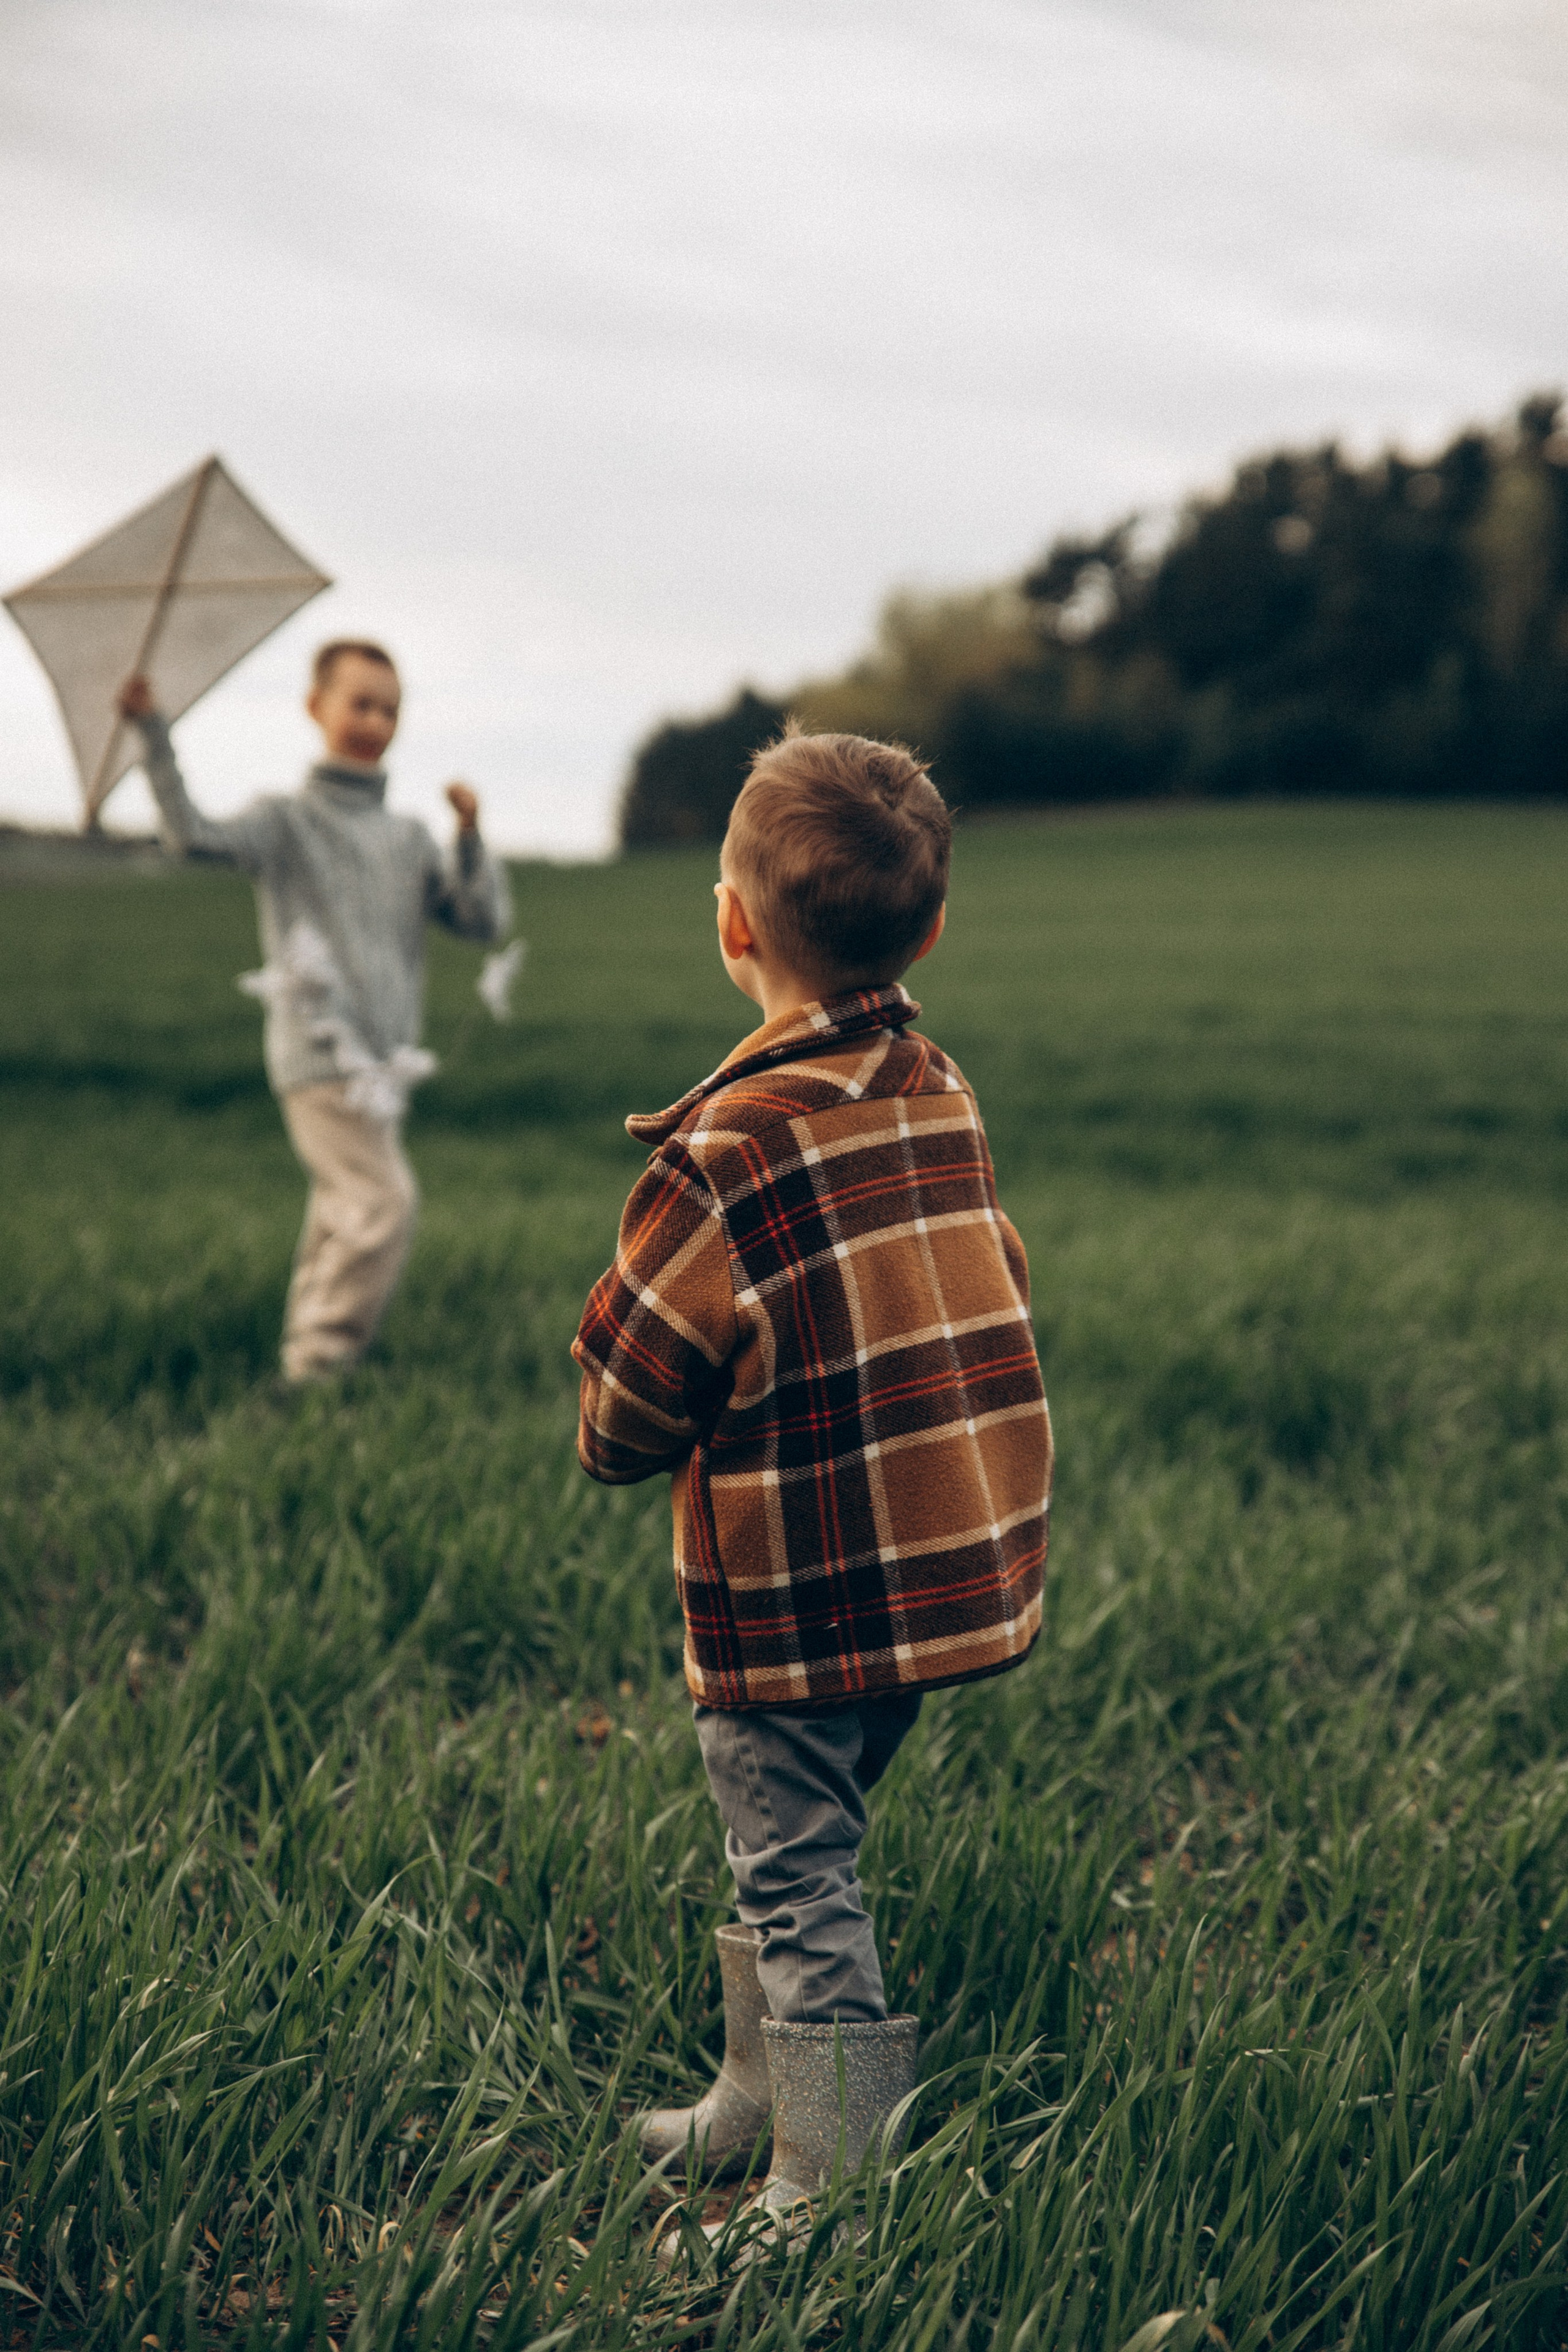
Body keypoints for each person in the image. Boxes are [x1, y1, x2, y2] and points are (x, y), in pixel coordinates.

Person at [571, 728, 1052, 2229]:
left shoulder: (722, 1148)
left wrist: (608, 1394)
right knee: (798, 1846)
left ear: (731, 926)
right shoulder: (940, 1089)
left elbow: (628, 1405)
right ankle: (756, 2092)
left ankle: (834, 2169)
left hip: (784, 1599)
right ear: (928, 928)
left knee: (797, 1876)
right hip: (924, 1575)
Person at [117, 643, 511, 1384]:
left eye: (389, 707)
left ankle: (305, 1354)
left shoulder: (409, 837)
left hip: (386, 1061)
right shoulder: (287, 821)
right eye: (359, 702)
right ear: (315, 707)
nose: (374, 720)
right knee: (383, 1203)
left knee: (343, 1211)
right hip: (320, 1050)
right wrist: (152, 734)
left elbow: (482, 921)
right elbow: (193, 836)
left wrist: (468, 834)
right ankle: (320, 1368)